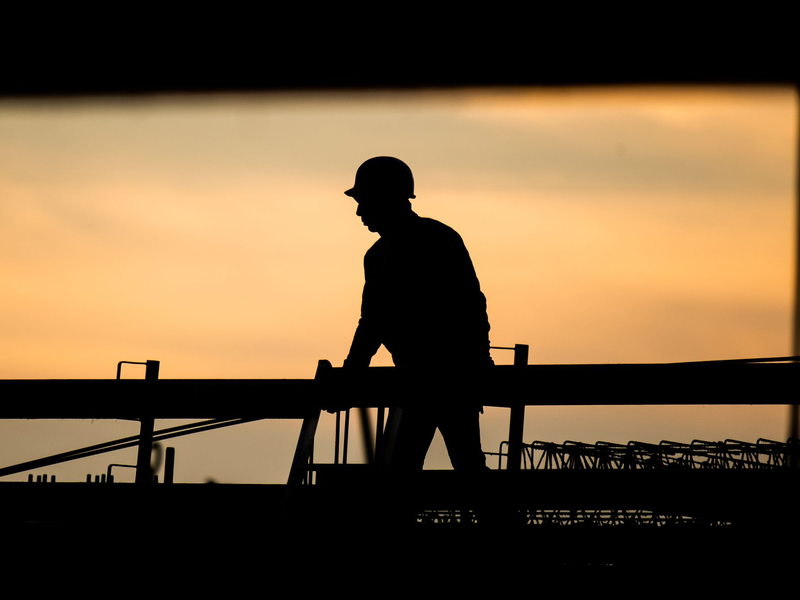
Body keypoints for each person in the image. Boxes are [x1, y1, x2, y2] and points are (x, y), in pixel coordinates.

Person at [343, 156, 493, 472]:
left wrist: (477, 363)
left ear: (386, 199)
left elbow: (469, 306)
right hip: (418, 382)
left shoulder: (437, 240)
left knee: (460, 466)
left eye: (364, 202)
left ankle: (495, 522)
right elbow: (372, 322)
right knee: (403, 470)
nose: (359, 212)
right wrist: (351, 372)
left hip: (450, 380)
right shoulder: (378, 256)